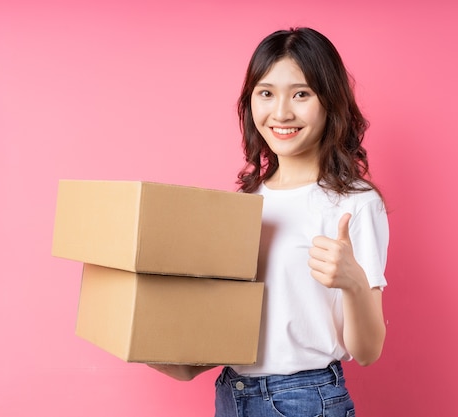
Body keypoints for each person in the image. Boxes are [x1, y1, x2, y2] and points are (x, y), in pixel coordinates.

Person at [149, 27, 389, 417]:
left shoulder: (355, 202)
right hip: (232, 393)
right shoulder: (246, 202)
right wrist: (150, 343)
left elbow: (368, 352)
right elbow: (232, 336)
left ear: (330, 102)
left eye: (301, 93)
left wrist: (354, 282)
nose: (281, 113)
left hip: (305, 399)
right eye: (266, 93)